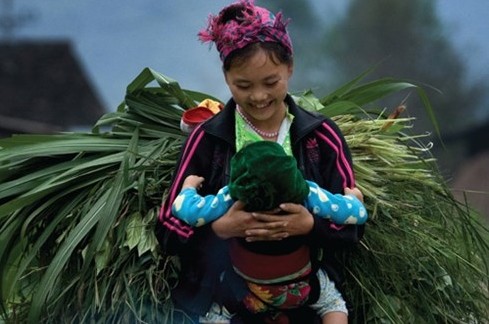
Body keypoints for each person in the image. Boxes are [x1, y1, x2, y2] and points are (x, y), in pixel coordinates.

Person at [155, 1, 366, 323]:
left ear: (290, 68)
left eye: (271, 82)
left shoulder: (319, 137)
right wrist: (222, 228)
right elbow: (168, 229)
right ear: (226, 76)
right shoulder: (209, 139)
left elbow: (353, 226)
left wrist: (309, 225)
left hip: (306, 301)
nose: (258, 96)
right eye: (243, 85)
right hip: (225, 302)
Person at [172, 141, 367, 323]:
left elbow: (187, 211)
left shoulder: (231, 197)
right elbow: (354, 215)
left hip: (249, 291)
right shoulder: (307, 193)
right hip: (301, 289)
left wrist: (188, 188)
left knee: (214, 312)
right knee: (333, 304)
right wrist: (355, 199)